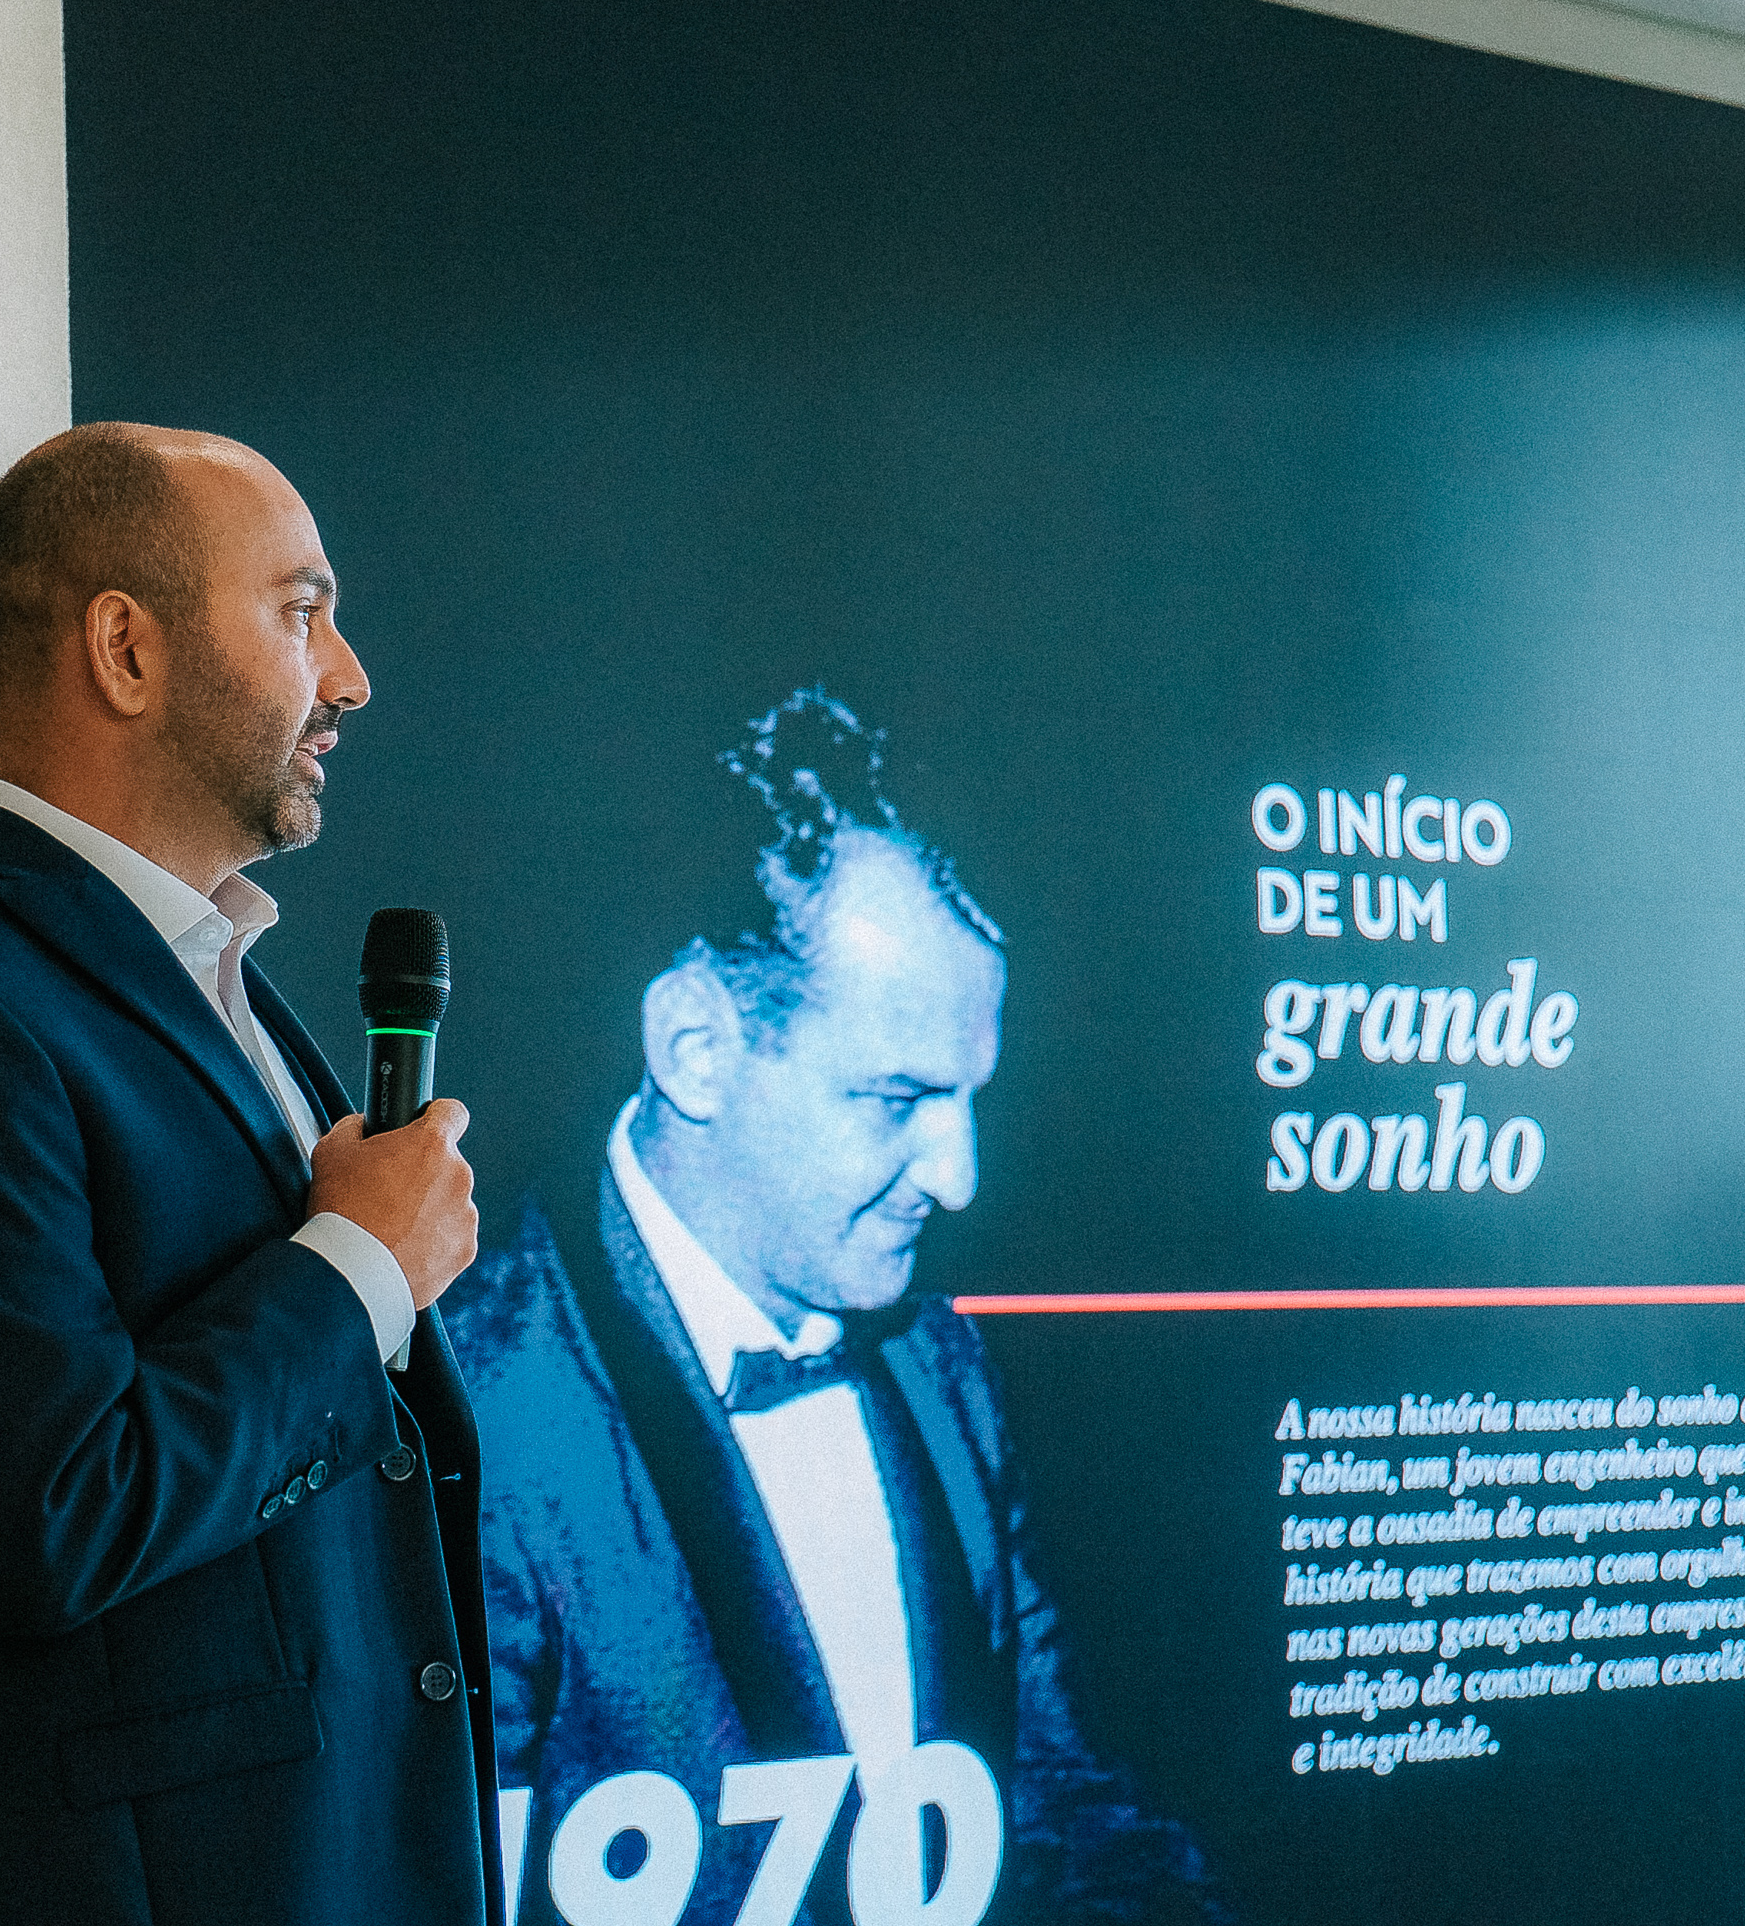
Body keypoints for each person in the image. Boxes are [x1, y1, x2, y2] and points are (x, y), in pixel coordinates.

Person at [0, 423, 494, 1924]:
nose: (349, 677)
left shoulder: (214, 979)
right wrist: (359, 1270)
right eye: (302, 611)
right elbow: (54, 1515)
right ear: (126, 650)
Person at [443, 693, 1219, 1925]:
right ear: (697, 1049)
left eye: (970, 1099)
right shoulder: (464, 1408)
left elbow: (1056, 1805)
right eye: (898, 1100)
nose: (959, 1178)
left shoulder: (943, 1365)